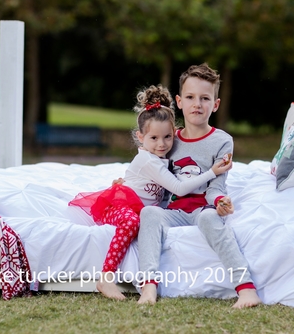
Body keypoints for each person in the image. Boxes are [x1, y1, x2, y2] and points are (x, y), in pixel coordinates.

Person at [68, 84, 232, 300]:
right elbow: (179, 188)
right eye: (153, 138)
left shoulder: (162, 159)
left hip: (139, 207)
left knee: (142, 222)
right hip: (119, 205)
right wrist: (211, 172)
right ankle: (106, 278)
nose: (162, 144)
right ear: (140, 137)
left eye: (167, 137)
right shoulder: (148, 160)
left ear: (174, 134)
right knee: (131, 223)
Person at [137, 63, 261, 308]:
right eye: (191, 97)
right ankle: (148, 287)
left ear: (215, 104)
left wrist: (219, 202)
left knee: (210, 220)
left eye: (205, 98)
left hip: (202, 207)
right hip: (173, 210)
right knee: (149, 213)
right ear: (179, 101)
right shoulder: (168, 138)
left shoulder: (222, 141)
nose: (197, 104)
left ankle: (246, 289)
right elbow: (151, 168)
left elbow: (216, 186)